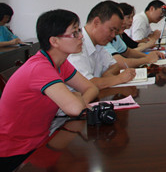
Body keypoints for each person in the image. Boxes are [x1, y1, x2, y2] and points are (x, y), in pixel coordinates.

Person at [0, 9, 99, 171]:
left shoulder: (60, 63)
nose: (81, 36)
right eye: (74, 33)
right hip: (15, 153)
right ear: (54, 41)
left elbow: (91, 88)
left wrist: (78, 98)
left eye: (79, 30)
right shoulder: (40, 67)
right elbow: (75, 109)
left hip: (40, 141)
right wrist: (76, 99)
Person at [67, 1, 136, 89]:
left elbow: (114, 65)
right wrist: (119, 79)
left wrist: (106, 76)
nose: (113, 35)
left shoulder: (98, 44)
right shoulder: (76, 45)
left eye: (115, 31)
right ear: (96, 22)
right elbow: (87, 84)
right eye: (111, 30)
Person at [104, 3, 165, 68]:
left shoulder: (116, 36)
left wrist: (148, 56)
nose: (130, 21)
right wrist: (147, 59)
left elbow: (128, 52)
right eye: (127, 17)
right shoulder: (104, 38)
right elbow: (122, 63)